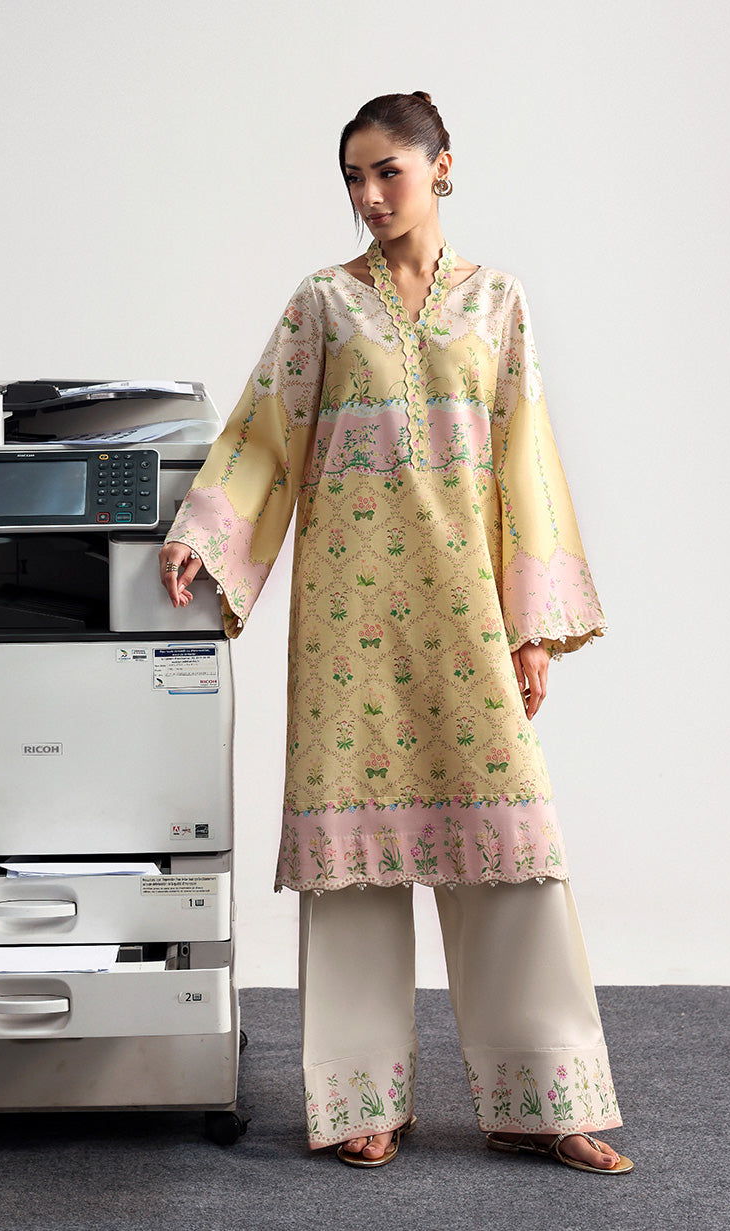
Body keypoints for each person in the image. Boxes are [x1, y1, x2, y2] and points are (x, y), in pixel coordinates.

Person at [159, 91, 632, 1174]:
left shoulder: (497, 302)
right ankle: (361, 1099)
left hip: (467, 614)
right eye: (353, 178)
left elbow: (526, 462)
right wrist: (207, 532)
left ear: (441, 167)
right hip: (349, 623)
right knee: (354, 866)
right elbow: (266, 435)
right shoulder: (323, 303)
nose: (369, 197)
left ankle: (544, 1099)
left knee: (511, 854)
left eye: (388, 173)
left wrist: (531, 629)